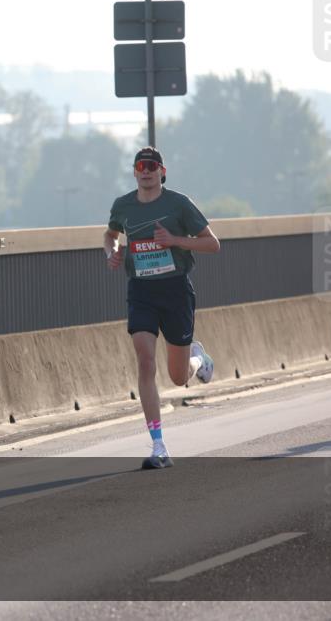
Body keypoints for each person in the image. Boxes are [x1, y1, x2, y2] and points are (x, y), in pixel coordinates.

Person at [104, 147, 220, 469]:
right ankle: (158, 445)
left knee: (178, 377)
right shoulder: (123, 206)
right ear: (135, 171)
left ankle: (198, 356)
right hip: (140, 290)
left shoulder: (179, 204)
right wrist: (112, 252)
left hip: (175, 291)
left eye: (152, 166)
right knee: (145, 361)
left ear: (162, 171)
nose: (146, 171)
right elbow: (111, 234)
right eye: (141, 166)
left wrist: (175, 241)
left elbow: (213, 243)